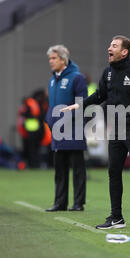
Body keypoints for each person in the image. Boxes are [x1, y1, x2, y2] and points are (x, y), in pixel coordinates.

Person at [61, 35, 130, 229]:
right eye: (109, 45)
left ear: (124, 52)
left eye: (114, 46)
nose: (109, 48)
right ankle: (116, 217)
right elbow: (99, 96)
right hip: (116, 129)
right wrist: (78, 105)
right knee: (113, 171)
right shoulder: (107, 73)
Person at [45, 44, 88, 212]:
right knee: (59, 170)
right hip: (57, 132)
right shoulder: (51, 80)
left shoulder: (77, 78)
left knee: (78, 170)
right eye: (50, 58)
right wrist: (50, 119)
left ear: (63, 60)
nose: (51, 61)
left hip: (73, 130)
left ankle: (78, 203)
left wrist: (67, 121)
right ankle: (59, 203)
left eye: (54, 58)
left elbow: (82, 104)